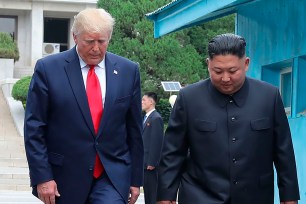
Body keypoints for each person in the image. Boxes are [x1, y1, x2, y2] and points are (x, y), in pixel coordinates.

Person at [156, 33, 300, 204]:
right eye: (217, 71)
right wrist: (165, 195)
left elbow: (283, 151)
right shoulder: (189, 98)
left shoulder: (269, 96)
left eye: (232, 71)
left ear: (246, 64)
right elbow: (173, 152)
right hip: (201, 195)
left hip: (255, 196)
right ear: (208, 64)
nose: (225, 78)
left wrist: (289, 196)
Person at [24, 8, 143, 204]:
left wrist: (135, 179)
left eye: (102, 41)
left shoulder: (128, 71)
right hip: (64, 177)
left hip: (112, 174)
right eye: (89, 41)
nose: (96, 48)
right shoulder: (48, 69)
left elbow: (134, 129)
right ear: (75, 37)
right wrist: (42, 176)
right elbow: (34, 128)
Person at [141, 92, 164, 204]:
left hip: (150, 165)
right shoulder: (146, 117)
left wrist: (152, 162)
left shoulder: (156, 118)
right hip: (144, 163)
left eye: (144, 100)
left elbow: (157, 142)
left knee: (151, 194)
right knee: (147, 193)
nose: (142, 102)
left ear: (151, 102)